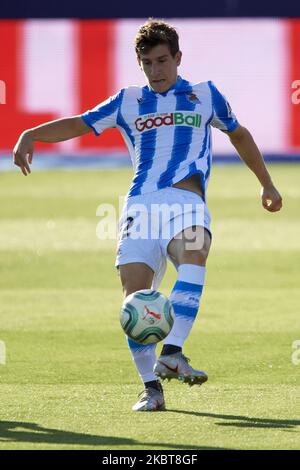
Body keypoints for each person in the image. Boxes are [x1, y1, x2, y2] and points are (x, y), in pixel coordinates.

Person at [13, 19, 283, 412]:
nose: (155, 71)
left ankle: (172, 350)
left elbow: (238, 134)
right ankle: (151, 388)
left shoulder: (206, 95)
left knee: (196, 252)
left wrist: (267, 183)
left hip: (186, 202)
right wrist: (30, 134)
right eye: (147, 63)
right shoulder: (129, 100)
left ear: (177, 57)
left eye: (161, 61)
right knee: (134, 299)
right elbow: (81, 122)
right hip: (140, 206)